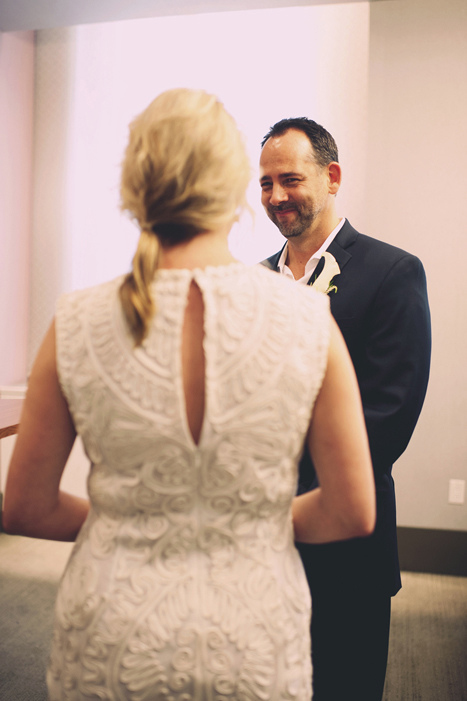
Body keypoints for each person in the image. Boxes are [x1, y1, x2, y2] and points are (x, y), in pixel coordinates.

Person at [3, 90, 375, 701]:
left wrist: (140, 523)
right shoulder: (308, 320)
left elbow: (24, 508)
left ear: (134, 186)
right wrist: (241, 524)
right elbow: (351, 510)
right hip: (254, 638)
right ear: (236, 189)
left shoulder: (76, 321)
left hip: (113, 636)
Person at [259, 117, 431, 701]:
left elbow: (389, 417)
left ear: (331, 177)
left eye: (289, 179)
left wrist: (294, 500)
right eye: (265, 184)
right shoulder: (252, 284)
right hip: (258, 546)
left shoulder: (392, 273)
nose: (276, 197)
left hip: (347, 539)